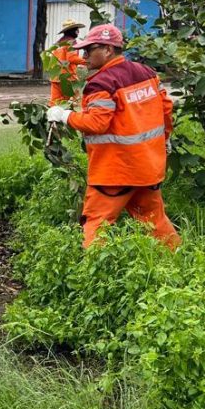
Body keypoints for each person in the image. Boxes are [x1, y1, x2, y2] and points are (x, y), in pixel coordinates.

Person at [46, 24, 180, 249]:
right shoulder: (147, 73)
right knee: (154, 219)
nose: (84, 56)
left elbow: (96, 123)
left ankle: (94, 274)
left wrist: (64, 115)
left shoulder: (101, 83)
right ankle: (178, 259)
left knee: (97, 223)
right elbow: (166, 109)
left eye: (90, 50)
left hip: (115, 171)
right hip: (148, 166)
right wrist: (165, 138)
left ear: (108, 50)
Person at [49, 19, 87, 105]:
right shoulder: (71, 42)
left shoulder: (58, 43)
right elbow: (72, 58)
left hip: (55, 77)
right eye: (77, 29)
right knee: (70, 103)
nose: (78, 31)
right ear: (73, 31)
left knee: (55, 103)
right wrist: (87, 62)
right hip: (67, 77)